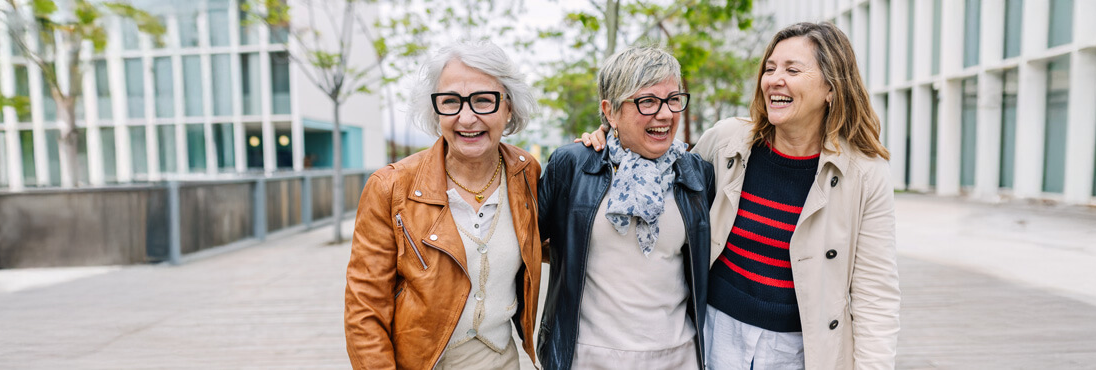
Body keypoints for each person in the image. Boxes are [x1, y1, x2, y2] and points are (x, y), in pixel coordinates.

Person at [579, 22, 900, 369]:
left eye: (793, 70)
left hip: (800, 350)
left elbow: (876, 297)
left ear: (831, 89)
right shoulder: (728, 141)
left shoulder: (865, 173)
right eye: (770, 68)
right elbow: (660, 169)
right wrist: (611, 134)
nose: (774, 79)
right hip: (715, 334)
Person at [344, 41, 543, 370]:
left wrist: (606, 140)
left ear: (508, 107)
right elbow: (364, 308)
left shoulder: (526, 173)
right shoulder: (391, 187)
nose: (467, 118)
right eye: (451, 101)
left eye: (483, 100)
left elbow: (550, 241)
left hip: (500, 359)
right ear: (436, 111)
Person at [535, 46, 716, 370]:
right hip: (588, 358)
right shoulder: (572, 167)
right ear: (610, 111)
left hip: (678, 356)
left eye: (674, 99)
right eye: (647, 101)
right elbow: (525, 246)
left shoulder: (695, 173)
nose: (665, 114)